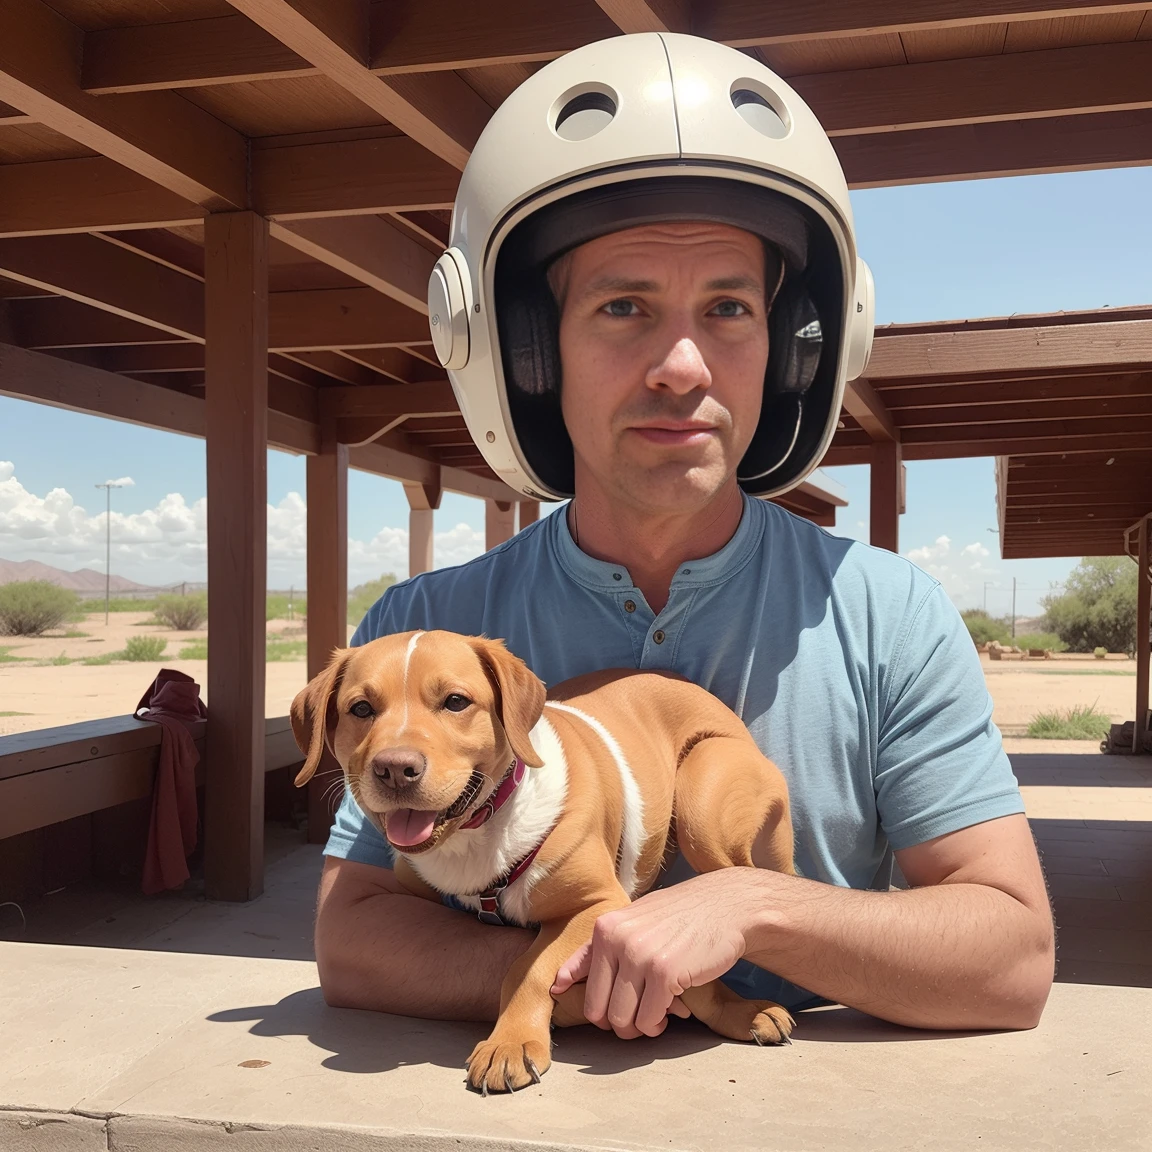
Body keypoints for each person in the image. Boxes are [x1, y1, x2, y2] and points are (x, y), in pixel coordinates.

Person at [315, 33, 1054, 1042]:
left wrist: (752, 904)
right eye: (624, 307)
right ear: (529, 357)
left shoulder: (890, 615)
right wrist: (561, 969)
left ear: (794, 358)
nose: (681, 364)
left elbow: (1010, 960)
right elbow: (352, 940)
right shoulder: (424, 624)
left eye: (729, 308)